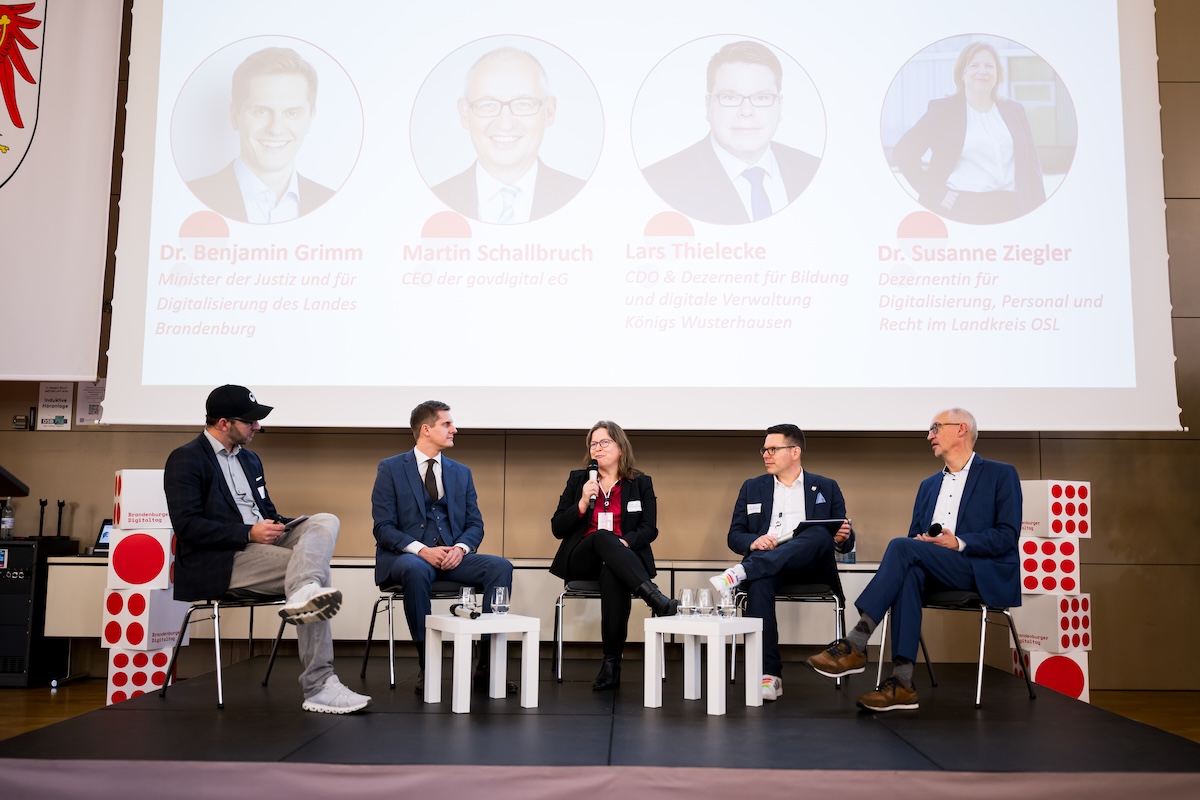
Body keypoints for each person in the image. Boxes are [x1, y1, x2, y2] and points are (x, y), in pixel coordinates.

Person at [163, 384, 370, 714]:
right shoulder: (185, 459)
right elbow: (187, 527)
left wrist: (279, 525)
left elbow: (266, 511)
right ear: (222, 423)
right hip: (221, 559)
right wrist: (247, 533)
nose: (258, 426)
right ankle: (319, 685)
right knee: (316, 582)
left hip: (260, 542)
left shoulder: (250, 459)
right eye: (250, 421)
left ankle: (303, 592)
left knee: (324, 521)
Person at [806, 408, 1022, 712]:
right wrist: (926, 543)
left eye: (935, 428)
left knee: (901, 548)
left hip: (978, 569)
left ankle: (857, 640)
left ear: (962, 429)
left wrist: (957, 541)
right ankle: (903, 682)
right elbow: (911, 541)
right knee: (907, 571)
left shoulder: (1001, 474)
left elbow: (1007, 535)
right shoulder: (928, 485)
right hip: (935, 570)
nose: (929, 435)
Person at [371, 400, 514, 694]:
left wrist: (459, 549)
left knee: (500, 567)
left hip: (452, 557)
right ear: (426, 429)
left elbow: (476, 524)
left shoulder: (461, 472)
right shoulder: (390, 468)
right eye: (447, 424)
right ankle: (429, 663)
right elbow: (383, 527)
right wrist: (422, 550)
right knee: (414, 569)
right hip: (407, 559)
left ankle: (486, 666)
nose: (455, 429)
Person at [708, 424, 853, 701]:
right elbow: (735, 535)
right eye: (764, 449)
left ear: (795, 451)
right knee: (760, 583)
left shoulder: (826, 486)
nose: (766, 454)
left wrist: (844, 536)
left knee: (818, 533)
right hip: (768, 564)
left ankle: (742, 571)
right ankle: (769, 675)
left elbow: (841, 536)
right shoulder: (752, 487)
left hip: (812, 568)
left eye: (773, 449)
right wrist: (754, 542)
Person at [550, 421, 678, 690]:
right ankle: (654, 597)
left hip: (623, 560)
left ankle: (611, 664)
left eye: (604, 442)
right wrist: (583, 502)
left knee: (613, 573)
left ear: (620, 447)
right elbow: (558, 527)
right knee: (601, 537)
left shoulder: (640, 482)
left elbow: (649, 529)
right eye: (593, 444)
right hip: (582, 558)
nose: (597, 448)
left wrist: (623, 543)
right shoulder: (578, 480)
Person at [641, 40, 820, 225]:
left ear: (780, 105)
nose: (746, 111)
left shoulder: (813, 170)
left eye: (761, 97)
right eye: (730, 97)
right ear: (708, 105)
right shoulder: (659, 182)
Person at [890, 41, 1046, 224]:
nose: (982, 71)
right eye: (974, 66)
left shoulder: (1014, 111)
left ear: (997, 74)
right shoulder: (943, 111)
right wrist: (934, 193)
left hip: (1014, 209)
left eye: (989, 66)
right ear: (962, 74)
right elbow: (903, 152)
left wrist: (1041, 212)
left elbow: (1031, 166)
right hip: (963, 209)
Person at [433, 47, 585, 223]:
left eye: (524, 104)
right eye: (487, 105)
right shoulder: (429, 200)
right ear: (465, 114)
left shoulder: (586, 198)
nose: (505, 124)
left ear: (549, 112)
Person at [188, 47, 335, 223]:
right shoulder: (188, 198)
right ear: (235, 116)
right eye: (261, 111)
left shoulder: (335, 205)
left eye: (292, 113)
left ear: (310, 119)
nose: (276, 129)